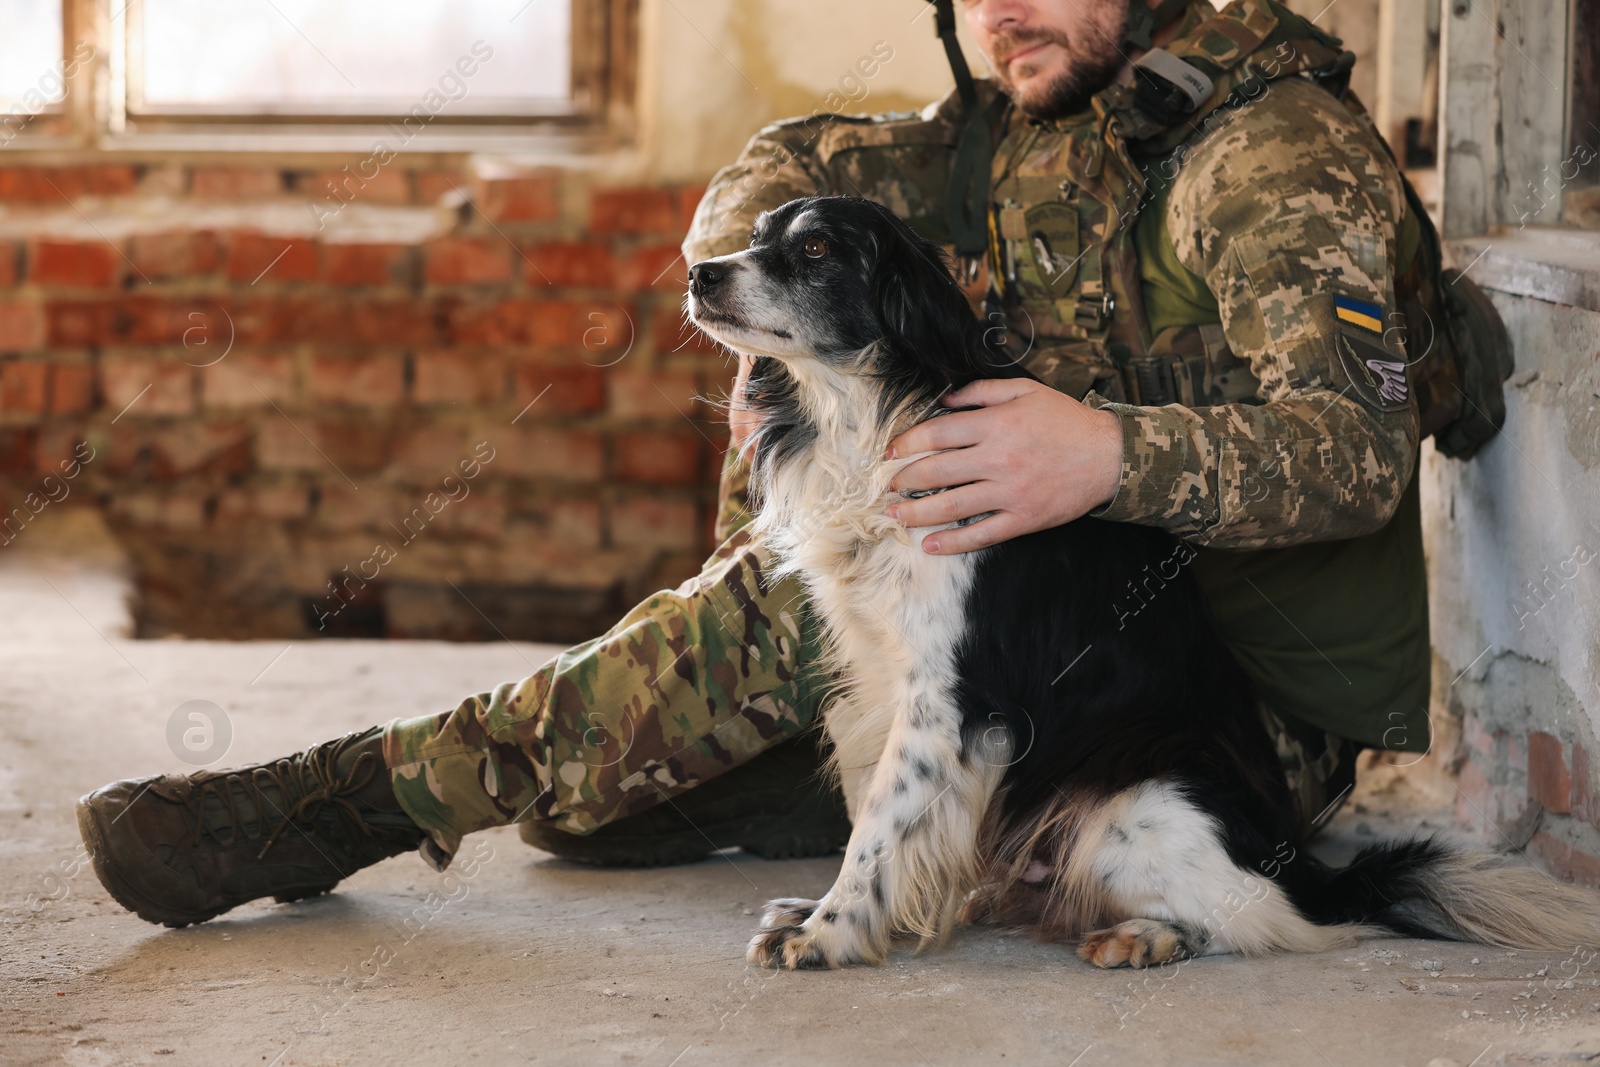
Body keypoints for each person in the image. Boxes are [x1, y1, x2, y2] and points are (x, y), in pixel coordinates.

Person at [78, 0, 1443, 928]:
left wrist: (1102, 453)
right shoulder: (1047, 116)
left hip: (1205, 721)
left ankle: (341, 805)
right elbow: (792, 164)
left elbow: (1358, 452)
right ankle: (823, 787)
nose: (997, 10)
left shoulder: (1270, 154)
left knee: (762, 618)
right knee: (595, 815)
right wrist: (761, 333)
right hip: (1008, 638)